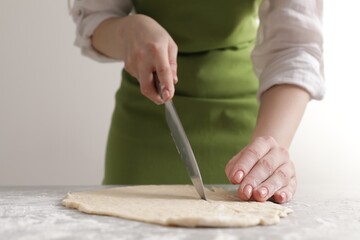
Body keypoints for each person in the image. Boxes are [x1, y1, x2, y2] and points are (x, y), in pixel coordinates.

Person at [70, 0, 324, 203]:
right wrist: (128, 32)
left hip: (248, 133)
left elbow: (295, 46)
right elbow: (94, 18)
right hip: (144, 129)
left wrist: (267, 152)